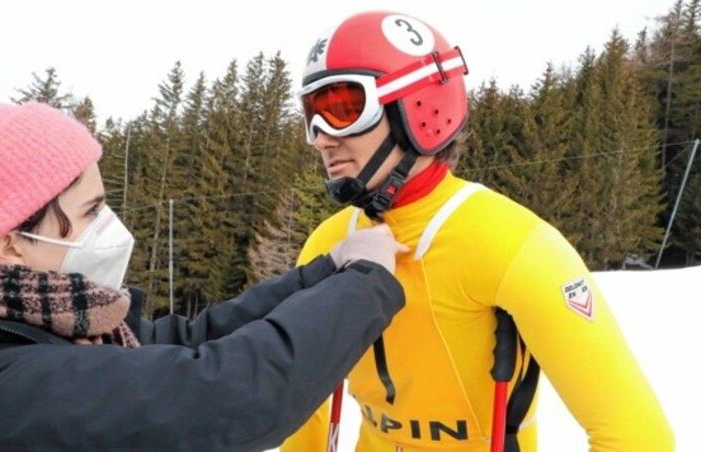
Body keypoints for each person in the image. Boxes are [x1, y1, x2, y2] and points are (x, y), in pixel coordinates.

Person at [0, 100, 408, 452]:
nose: (110, 227)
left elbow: (185, 339)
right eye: (91, 210)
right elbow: (224, 393)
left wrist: (321, 274)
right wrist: (365, 284)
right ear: (10, 244)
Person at [281, 10, 674, 452]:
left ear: (416, 107)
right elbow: (304, 408)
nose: (320, 138)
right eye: (312, 113)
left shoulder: (511, 243)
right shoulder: (328, 245)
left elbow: (638, 438)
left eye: (343, 108)